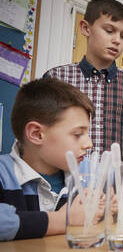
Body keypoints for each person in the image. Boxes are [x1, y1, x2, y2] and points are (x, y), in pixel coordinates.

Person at [44, 0, 123, 153]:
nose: (117, 40)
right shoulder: (56, 78)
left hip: (115, 177)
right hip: (66, 174)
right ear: (86, 28)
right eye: (109, 31)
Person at [0, 78, 97, 241]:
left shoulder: (87, 170)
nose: (89, 144)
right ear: (37, 134)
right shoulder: (3, 174)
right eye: (78, 134)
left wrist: (114, 206)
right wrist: (64, 220)